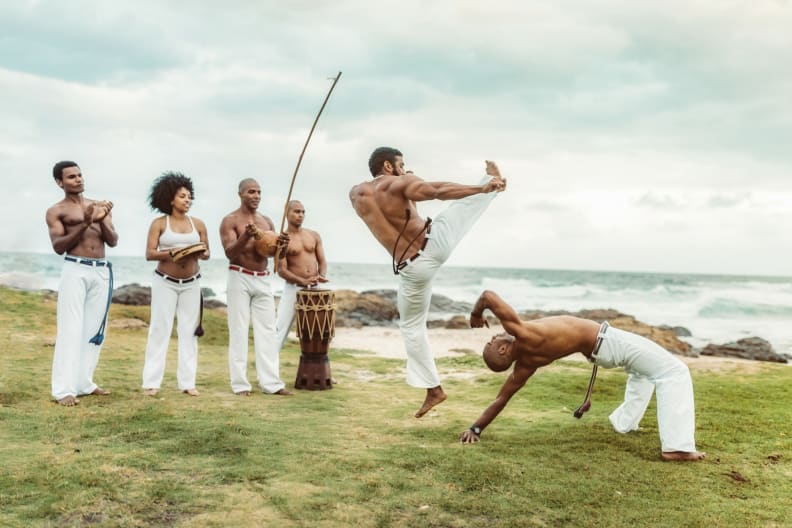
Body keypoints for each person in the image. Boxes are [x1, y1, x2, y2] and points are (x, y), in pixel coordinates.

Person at [349, 147, 506, 418]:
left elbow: (396, 214)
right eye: (401, 164)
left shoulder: (356, 194)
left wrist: (407, 182)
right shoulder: (401, 182)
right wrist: (478, 189)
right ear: (388, 165)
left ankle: (433, 389)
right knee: (458, 209)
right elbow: (437, 190)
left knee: (410, 327)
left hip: (412, 268)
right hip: (434, 243)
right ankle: (488, 184)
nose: (404, 168)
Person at [459, 290, 706, 462]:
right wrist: (475, 314)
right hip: (608, 342)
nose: (493, 337)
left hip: (602, 351)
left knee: (642, 374)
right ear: (503, 349)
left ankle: (625, 422)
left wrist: (476, 429)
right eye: (491, 342)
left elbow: (501, 399)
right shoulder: (523, 334)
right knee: (674, 371)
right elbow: (488, 296)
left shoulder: (525, 365)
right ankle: (677, 448)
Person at [46, 161, 118, 406]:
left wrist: (103, 219)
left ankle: (84, 383)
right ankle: (63, 390)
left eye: (79, 175)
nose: (78, 179)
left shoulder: (98, 205)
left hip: (101, 271)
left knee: (94, 330)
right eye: (71, 177)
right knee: (70, 329)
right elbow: (58, 247)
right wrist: (86, 223)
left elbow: (113, 240)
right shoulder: (56, 211)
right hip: (75, 268)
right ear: (60, 182)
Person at [219, 178, 291, 396]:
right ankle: (240, 384)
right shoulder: (230, 221)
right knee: (239, 330)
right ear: (241, 194)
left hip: (262, 278)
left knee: (268, 331)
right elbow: (229, 252)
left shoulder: (267, 221)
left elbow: (276, 256)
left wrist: (283, 245)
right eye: (251, 191)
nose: (256, 196)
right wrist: (246, 236)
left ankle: (271, 383)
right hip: (239, 276)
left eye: (259, 192)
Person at [141, 172, 210, 397]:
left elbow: (207, 253)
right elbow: (150, 254)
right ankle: (151, 382)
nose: (187, 200)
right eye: (182, 196)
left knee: (189, 331)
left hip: (192, 282)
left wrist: (197, 251)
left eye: (189, 197)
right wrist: (174, 253)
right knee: (160, 329)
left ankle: (188, 383)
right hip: (165, 282)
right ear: (171, 198)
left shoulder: (198, 224)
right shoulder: (160, 223)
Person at [275, 200, 328, 350]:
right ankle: (269, 371)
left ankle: (316, 370)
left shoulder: (313, 235)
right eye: (297, 211)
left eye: (303, 212)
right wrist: (302, 281)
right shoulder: (282, 239)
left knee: (318, 331)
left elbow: (322, 261)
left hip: (315, 287)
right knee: (279, 330)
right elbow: (281, 270)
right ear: (287, 213)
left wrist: (321, 275)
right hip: (293, 288)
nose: (301, 215)